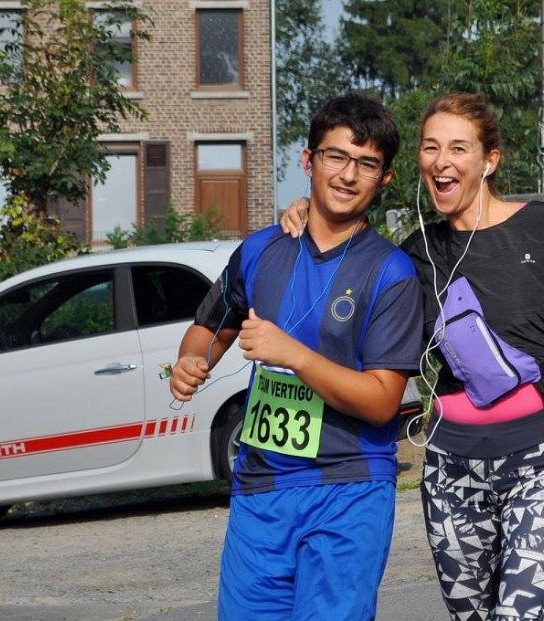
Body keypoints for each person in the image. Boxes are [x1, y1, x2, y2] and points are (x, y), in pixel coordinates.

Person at [283, 92, 544, 619]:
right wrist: (306, 212)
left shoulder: (543, 225)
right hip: (452, 469)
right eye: (430, 148)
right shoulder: (413, 256)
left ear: (489, 161)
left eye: (457, 148)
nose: (441, 161)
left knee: (517, 614)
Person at [169, 93, 424, 621]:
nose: (348, 174)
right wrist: (191, 361)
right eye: (336, 156)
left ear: (385, 179)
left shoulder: (391, 272)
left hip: (348, 488)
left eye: (366, 164)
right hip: (259, 488)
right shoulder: (261, 249)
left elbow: (383, 402)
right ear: (308, 160)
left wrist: (296, 356)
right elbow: (209, 327)